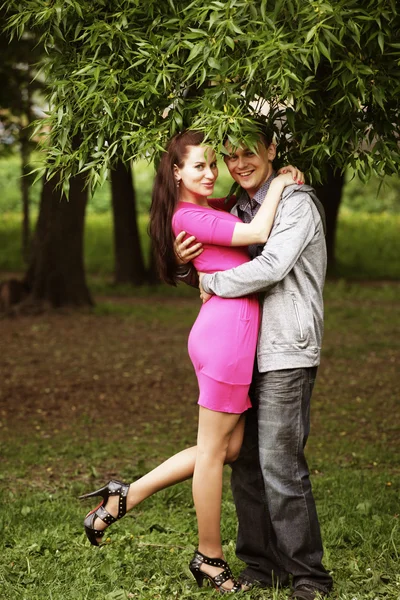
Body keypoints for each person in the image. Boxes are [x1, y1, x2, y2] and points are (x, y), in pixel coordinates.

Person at [79, 130, 299, 594]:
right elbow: (258, 232)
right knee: (216, 454)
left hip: (228, 333)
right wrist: (282, 181)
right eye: (198, 165)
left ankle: (126, 495)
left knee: (227, 450)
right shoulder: (192, 214)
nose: (210, 172)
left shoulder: (206, 209)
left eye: (212, 164)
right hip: (225, 337)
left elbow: (237, 206)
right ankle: (210, 557)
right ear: (176, 171)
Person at [174, 123, 333, 600]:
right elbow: (212, 249)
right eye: (230, 157)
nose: (238, 163)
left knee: (281, 464)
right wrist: (189, 268)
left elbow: (271, 267)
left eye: (249, 153)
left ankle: (309, 577)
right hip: (245, 350)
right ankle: (261, 567)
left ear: (272, 150)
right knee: (244, 463)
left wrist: (213, 285)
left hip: (286, 346)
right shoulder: (241, 205)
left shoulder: (296, 203)